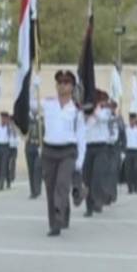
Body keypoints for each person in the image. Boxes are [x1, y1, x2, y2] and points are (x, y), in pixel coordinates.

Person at [35, 69, 86, 236]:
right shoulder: (48, 103)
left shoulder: (77, 111)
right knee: (50, 188)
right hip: (49, 150)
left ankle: (59, 213)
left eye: (66, 83)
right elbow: (29, 104)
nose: (62, 86)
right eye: (59, 82)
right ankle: (55, 223)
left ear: (72, 87)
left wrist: (79, 163)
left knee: (62, 185)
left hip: (68, 151)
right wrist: (33, 86)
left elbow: (81, 137)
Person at [82, 89, 112, 217]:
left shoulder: (105, 111)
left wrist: (96, 109)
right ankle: (89, 207)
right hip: (88, 147)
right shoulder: (87, 114)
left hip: (101, 147)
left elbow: (102, 118)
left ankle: (99, 201)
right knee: (87, 178)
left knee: (98, 177)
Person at [24, 104, 43, 199]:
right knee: (31, 169)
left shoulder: (42, 120)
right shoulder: (27, 120)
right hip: (29, 146)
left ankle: (37, 189)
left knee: (37, 168)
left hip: (39, 147)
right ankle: (33, 191)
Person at [123, 113, 137, 194]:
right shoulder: (126, 129)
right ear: (129, 120)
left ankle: (136, 187)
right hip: (128, 151)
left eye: (134, 120)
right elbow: (123, 141)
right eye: (131, 120)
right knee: (128, 170)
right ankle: (130, 188)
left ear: (135, 120)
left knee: (136, 169)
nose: (132, 121)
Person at [0, 112, 13, 190]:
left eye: (5, 118)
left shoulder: (10, 129)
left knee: (4, 165)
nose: (3, 120)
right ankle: (6, 180)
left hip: (6, 147)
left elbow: (13, 140)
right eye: (2, 118)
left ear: (7, 119)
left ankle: (1, 184)